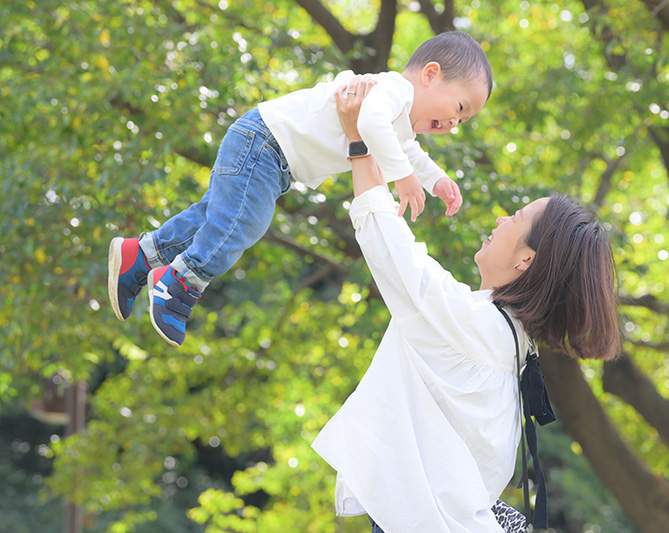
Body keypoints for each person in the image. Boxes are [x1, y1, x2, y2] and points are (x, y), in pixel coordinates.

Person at [311, 78, 620, 532]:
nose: (500, 218)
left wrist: (360, 141)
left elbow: (390, 249)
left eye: (514, 218)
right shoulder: (505, 336)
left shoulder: (479, 326)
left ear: (525, 258)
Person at [107, 30, 492, 347]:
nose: (456, 123)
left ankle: (140, 256)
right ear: (430, 74)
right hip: (264, 143)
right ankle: (181, 282)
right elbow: (372, 125)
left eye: (465, 120)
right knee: (244, 223)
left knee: (216, 218)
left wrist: (436, 179)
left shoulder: (403, 120)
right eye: (460, 107)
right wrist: (404, 176)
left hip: (272, 156)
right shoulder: (393, 90)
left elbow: (407, 148)